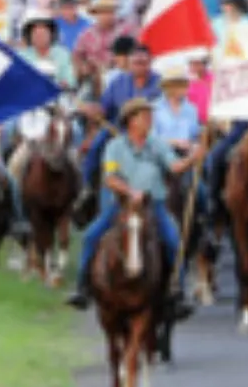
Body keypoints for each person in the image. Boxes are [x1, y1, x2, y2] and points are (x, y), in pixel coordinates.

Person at [65, 96, 200, 317]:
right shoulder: (114, 147)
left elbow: (174, 167)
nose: (150, 119)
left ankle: (177, 292)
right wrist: (129, 192)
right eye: (145, 115)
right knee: (91, 236)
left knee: (175, 241)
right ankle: (83, 288)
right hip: (120, 206)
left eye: (150, 114)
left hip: (153, 205)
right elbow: (109, 178)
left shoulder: (157, 144)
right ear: (131, 120)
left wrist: (194, 158)